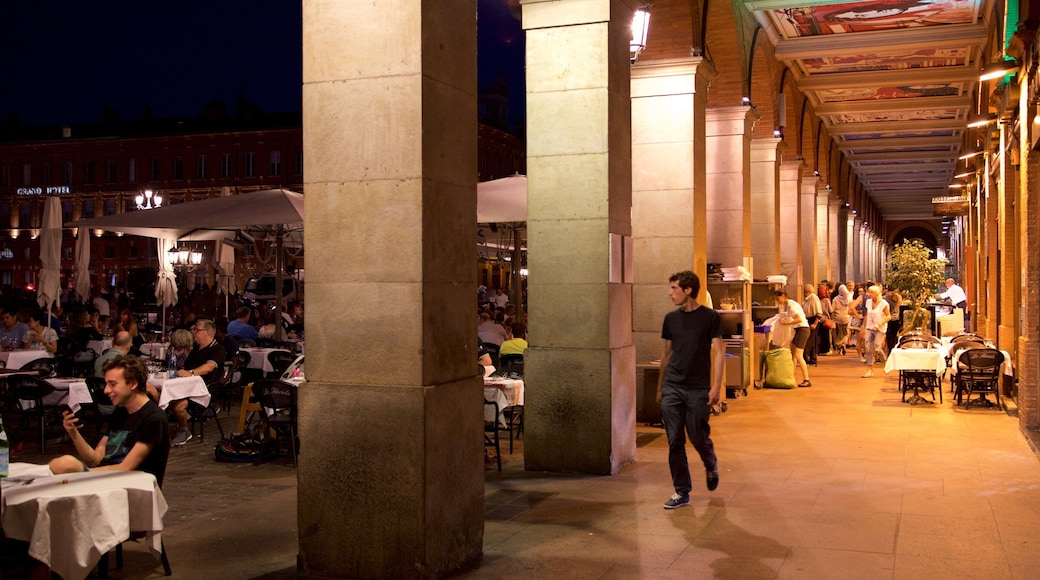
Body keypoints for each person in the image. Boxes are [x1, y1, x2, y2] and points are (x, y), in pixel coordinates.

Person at [655, 271, 724, 509]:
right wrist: (660, 387)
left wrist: (716, 386)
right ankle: (681, 491)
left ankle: (710, 461)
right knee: (675, 440)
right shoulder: (670, 319)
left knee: (697, 436)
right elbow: (666, 354)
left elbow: (718, 352)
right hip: (673, 386)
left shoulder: (710, 318)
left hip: (697, 388)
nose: (669, 292)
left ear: (687, 290)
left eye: (674, 288)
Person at [49, 355, 169, 485]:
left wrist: (81, 473)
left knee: (64, 464)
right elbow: (95, 459)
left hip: (132, 488)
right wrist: (73, 433)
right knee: (60, 466)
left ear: (133, 383)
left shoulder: (154, 418)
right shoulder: (120, 411)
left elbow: (126, 468)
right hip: (108, 481)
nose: (106, 390)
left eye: (112, 384)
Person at [169, 319, 226, 446]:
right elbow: (186, 368)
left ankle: (184, 430)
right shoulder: (195, 349)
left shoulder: (218, 349)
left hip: (205, 389)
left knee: (178, 404)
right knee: (161, 393)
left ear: (208, 332)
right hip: (187, 386)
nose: (193, 332)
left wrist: (191, 373)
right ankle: (183, 419)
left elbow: (209, 367)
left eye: (197, 330)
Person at [776, 290, 812, 387]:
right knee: (793, 354)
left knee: (798, 355)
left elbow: (799, 319)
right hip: (799, 330)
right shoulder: (789, 305)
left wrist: (786, 324)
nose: (777, 301)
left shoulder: (791, 306)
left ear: (783, 296)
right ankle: (790, 376)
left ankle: (806, 379)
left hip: (802, 330)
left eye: (778, 298)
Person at [860, 285, 891, 378]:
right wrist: (863, 327)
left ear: (877, 293)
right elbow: (867, 315)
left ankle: (886, 360)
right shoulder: (868, 302)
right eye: (868, 292)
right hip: (870, 327)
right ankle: (870, 369)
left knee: (877, 347)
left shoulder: (883, 303)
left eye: (871, 292)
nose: (869, 294)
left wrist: (879, 324)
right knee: (868, 348)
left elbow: (888, 316)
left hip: (880, 328)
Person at [802, 284, 822, 365]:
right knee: (811, 341)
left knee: (809, 341)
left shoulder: (813, 298)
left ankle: (808, 359)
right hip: (808, 320)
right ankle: (811, 359)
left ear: (806, 291)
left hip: (813, 320)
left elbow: (819, 312)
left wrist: (815, 323)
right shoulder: (808, 299)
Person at [831, 284, 852, 355]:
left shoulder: (836, 299)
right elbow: (851, 307)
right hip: (847, 317)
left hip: (838, 318)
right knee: (846, 333)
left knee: (838, 334)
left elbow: (832, 309)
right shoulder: (849, 298)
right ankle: (844, 344)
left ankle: (839, 345)